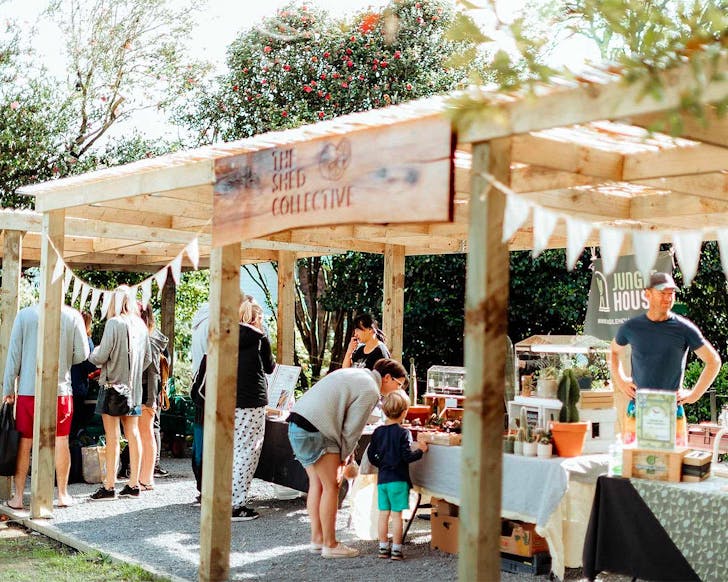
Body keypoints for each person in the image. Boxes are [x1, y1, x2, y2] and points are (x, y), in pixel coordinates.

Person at [288, 358, 407, 559]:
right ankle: (330, 544)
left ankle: (317, 540)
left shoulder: (357, 374)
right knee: (331, 487)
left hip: (296, 425)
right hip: (319, 430)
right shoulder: (370, 388)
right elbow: (352, 430)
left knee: (316, 484)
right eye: (399, 384)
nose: (398, 389)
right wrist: (345, 458)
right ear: (387, 377)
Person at [610, 272, 721, 444]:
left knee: (673, 467)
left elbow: (713, 361)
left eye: (671, 293)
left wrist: (694, 395)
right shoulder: (631, 327)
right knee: (634, 467)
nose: (668, 298)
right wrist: (621, 380)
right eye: (663, 292)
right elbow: (614, 351)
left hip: (671, 409)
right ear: (647, 294)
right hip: (638, 408)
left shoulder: (684, 329)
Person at [2, 303, 89, 509]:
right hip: (60, 390)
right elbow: (83, 354)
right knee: (61, 440)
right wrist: (65, 360)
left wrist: (8, 388)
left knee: (24, 443)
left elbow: (14, 355)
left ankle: (18, 497)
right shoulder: (72, 315)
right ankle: (62, 494)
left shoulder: (24, 315)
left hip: (27, 389)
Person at [88, 286, 152, 500]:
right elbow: (148, 359)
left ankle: (109, 485)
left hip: (112, 386)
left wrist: (92, 352)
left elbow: (101, 355)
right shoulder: (141, 325)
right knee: (133, 434)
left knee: (112, 436)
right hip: (134, 389)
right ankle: (134, 484)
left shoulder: (114, 323)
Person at [367, 389, 427, 561]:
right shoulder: (404, 433)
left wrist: (383, 464)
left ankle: (383, 548)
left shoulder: (378, 432)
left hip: (383, 479)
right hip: (399, 480)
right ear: (404, 412)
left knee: (383, 514)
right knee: (397, 516)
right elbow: (407, 456)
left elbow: (372, 455)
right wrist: (421, 451)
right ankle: (396, 550)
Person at [231, 297, 276, 521]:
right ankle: (237, 503)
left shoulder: (225, 335)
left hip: (228, 398)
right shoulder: (259, 339)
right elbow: (270, 367)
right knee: (248, 451)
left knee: (232, 449)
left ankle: (226, 498)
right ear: (256, 317)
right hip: (252, 400)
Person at [138, 303, 169, 490]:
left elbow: (150, 370)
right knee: (146, 433)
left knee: (146, 433)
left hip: (146, 390)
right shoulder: (155, 337)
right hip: (151, 390)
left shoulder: (148, 340)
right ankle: (145, 475)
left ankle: (146, 477)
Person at [189, 301, 209, 505]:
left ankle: (202, 487)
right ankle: (206, 488)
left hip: (198, 385)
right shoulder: (215, 323)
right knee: (206, 441)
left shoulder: (199, 323)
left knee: (200, 438)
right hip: (210, 388)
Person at [70, 311, 97, 437]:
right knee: (77, 419)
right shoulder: (86, 340)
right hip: (79, 385)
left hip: (66, 383)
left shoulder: (69, 338)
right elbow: (90, 364)